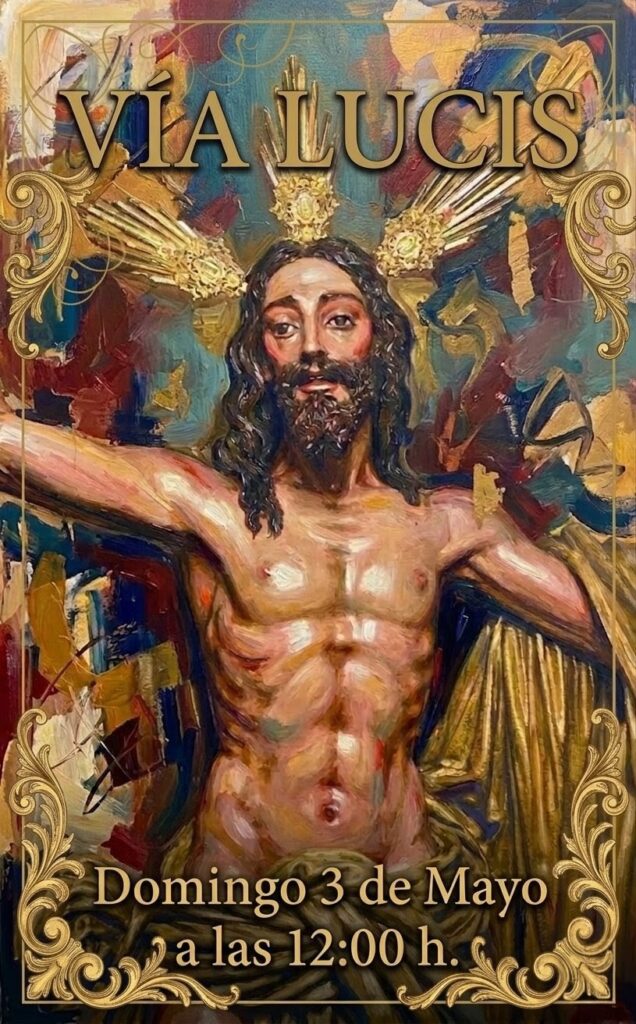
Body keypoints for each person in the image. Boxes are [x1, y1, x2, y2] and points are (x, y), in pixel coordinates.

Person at [0, 236, 599, 882]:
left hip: (402, 885)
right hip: (238, 883)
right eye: (283, 327)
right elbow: (24, 453)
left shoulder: (447, 528)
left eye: (339, 319)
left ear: (379, 344)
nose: (312, 346)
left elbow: (610, 622)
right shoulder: (212, 511)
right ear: (262, 359)